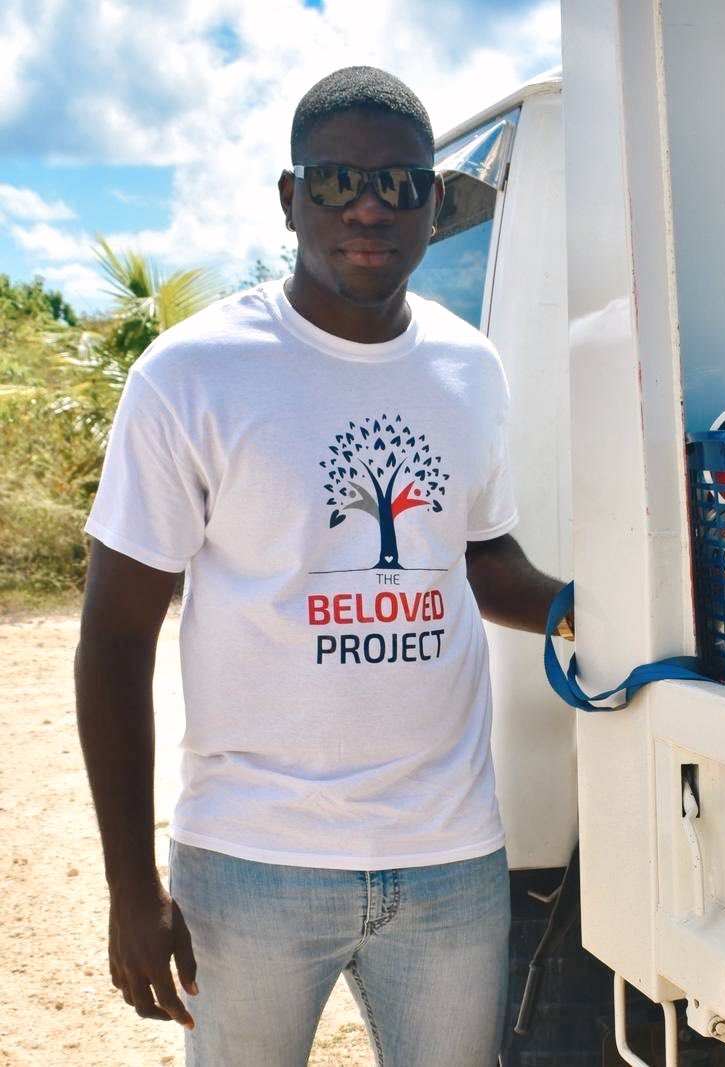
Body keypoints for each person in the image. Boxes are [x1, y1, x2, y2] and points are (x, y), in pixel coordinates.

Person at [75, 66, 570, 1067]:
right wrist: (132, 884)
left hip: (449, 854)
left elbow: (477, 558)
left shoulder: (470, 367)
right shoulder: (193, 372)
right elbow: (115, 636)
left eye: (397, 184)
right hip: (254, 860)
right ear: (290, 197)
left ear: (434, 202)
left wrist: (601, 612)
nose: (367, 207)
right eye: (339, 179)